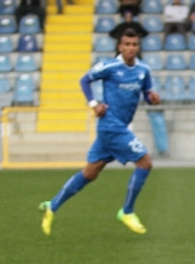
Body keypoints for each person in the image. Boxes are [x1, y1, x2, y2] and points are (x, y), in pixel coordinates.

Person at [38, 29, 160, 237]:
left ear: (138, 47)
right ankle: (127, 212)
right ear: (120, 47)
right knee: (145, 163)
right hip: (111, 126)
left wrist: (153, 99)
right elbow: (84, 80)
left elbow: (147, 94)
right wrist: (94, 104)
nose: (131, 48)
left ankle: (53, 206)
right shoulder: (110, 66)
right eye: (127, 44)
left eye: (134, 44)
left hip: (119, 127)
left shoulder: (143, 70)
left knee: (90, 173)